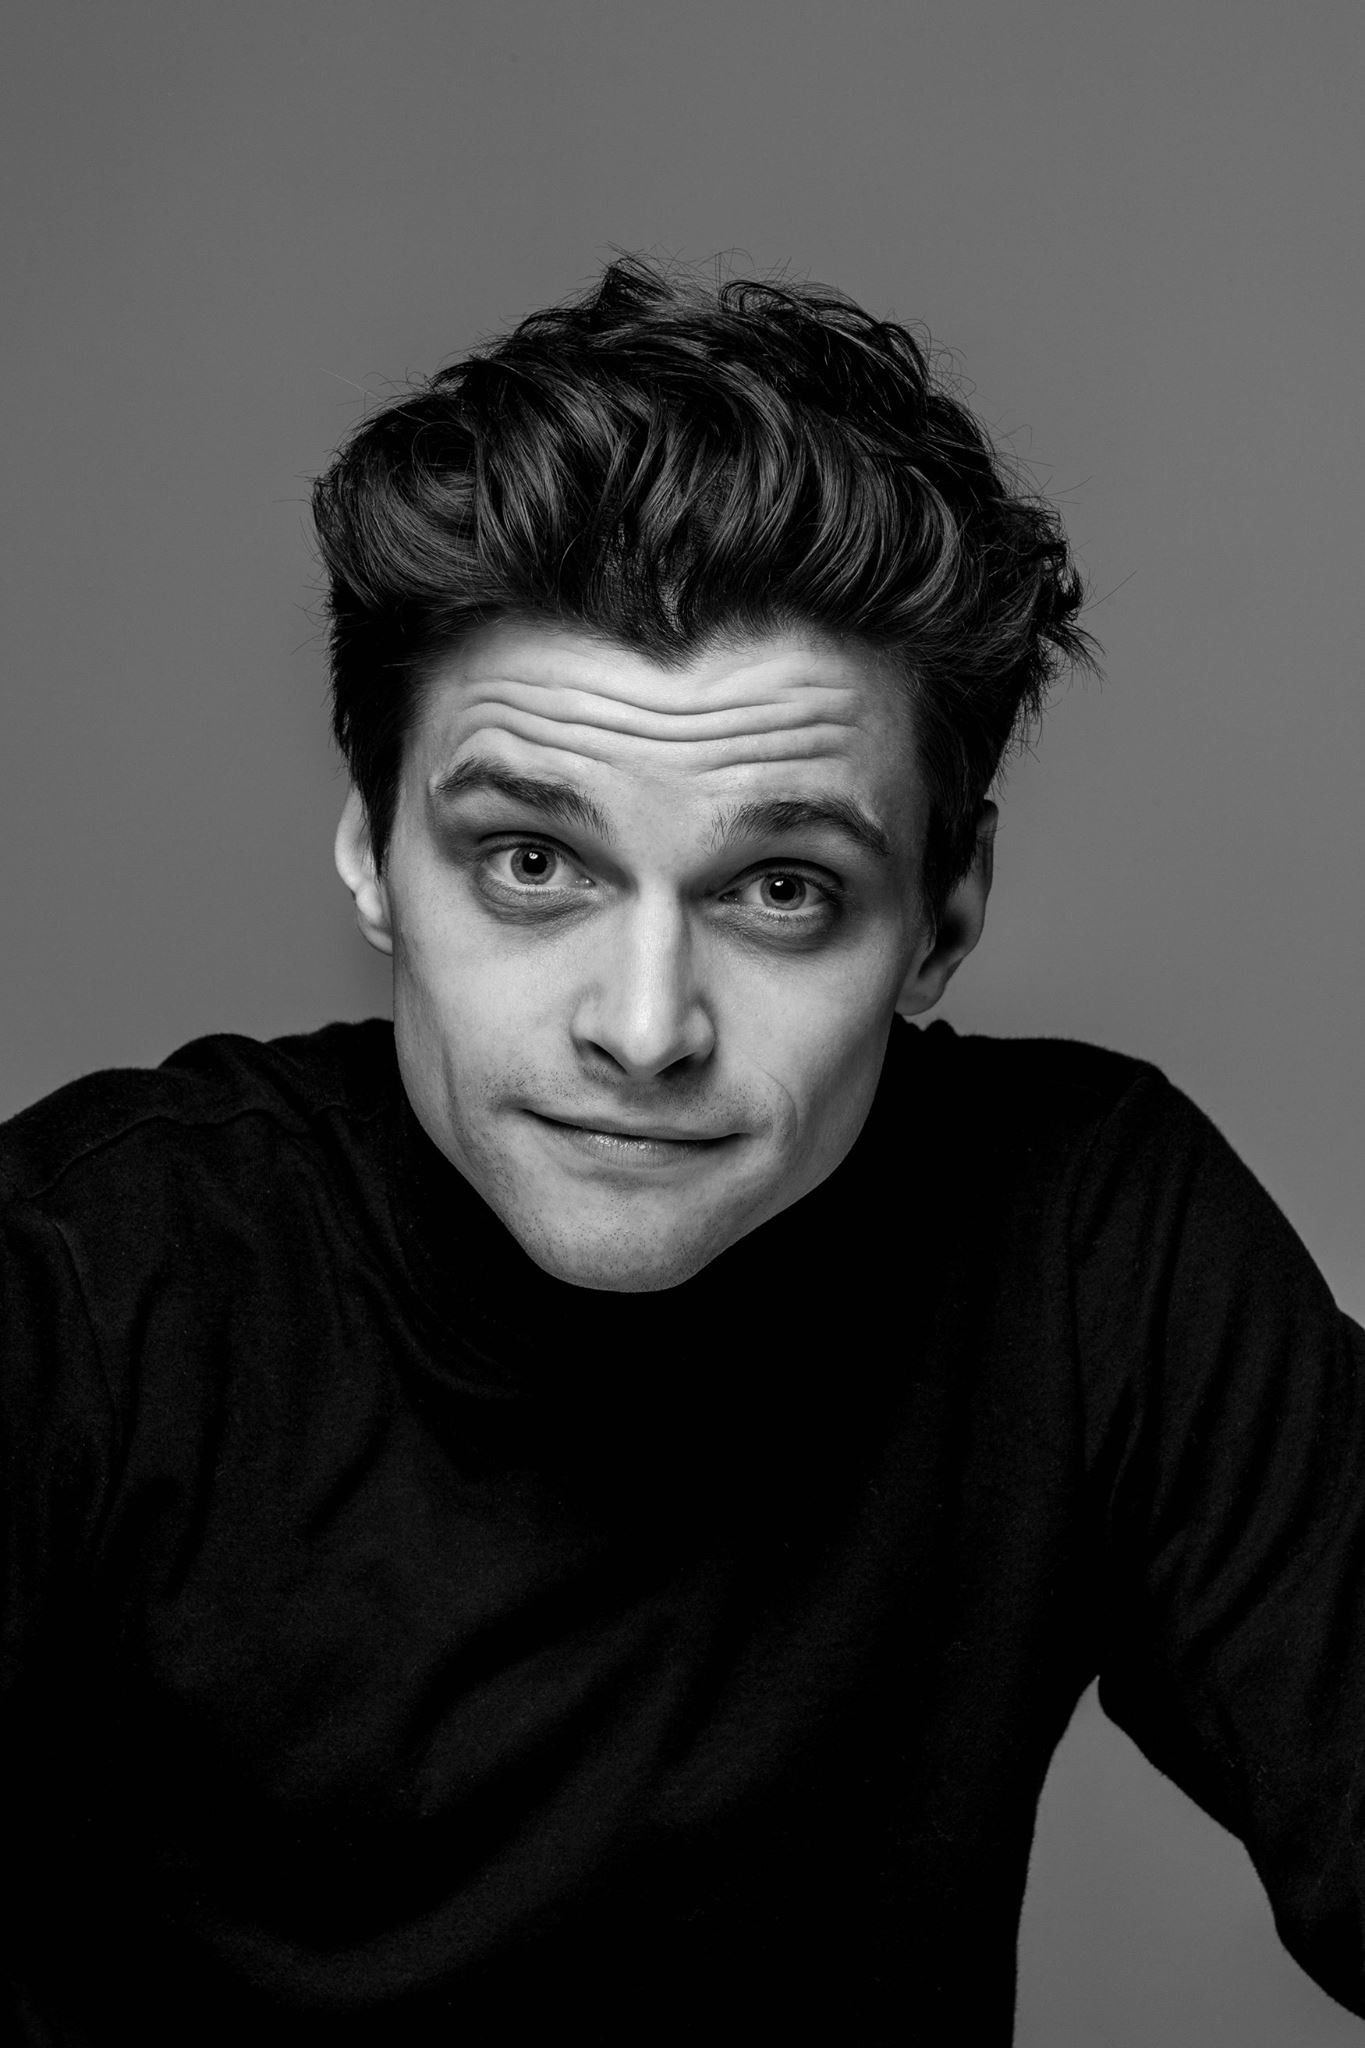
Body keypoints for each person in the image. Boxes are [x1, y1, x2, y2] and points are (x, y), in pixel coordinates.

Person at [1, 254, 1361, 2045]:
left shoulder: (1088, 1240)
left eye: (780, 887)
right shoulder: (87, 1281)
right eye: (531, 863)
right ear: (370, 855)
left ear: (944, 916)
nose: (644, 1030)